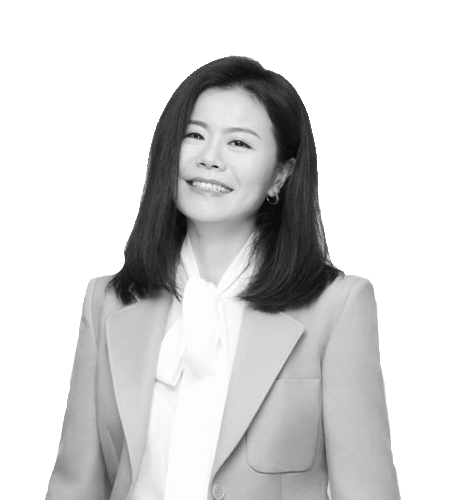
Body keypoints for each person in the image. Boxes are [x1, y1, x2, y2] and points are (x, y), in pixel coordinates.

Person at [46, 56, 399, 500]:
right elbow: (76, 485)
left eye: (239, 143)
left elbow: (367, 492)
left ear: (281, 174)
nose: (209, 158)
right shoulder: (109, 301)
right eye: (194, 135)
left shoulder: (337, 305)